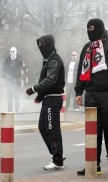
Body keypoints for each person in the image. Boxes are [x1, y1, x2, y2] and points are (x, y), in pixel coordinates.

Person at [75, 19, 108, 176]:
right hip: (91, 94)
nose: (90, 32)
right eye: (88, 29)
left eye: (92, 29)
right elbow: (82, 70)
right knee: (92, 132)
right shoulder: (87, 47)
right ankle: (93, 164)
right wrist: (78, 91)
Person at [26, 34, 65, 170]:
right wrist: (40, 96)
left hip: (53, 99)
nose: (40, 49)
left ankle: (58, 159)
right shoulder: (48, 60)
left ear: (48, 46)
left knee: (51, 128)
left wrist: (33, 89)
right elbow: (47, 81)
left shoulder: (54, 60)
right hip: (48, 98)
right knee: (43, 127)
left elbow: (50, 80)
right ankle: (57, 153)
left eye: (42, 46)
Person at [2, 47, 23, 112]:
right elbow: (4, 69)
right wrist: (3, 77)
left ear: (16, 52)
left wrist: (15, 78)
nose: (12, 53)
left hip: (16, 80)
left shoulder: (19, 59)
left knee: (16, 95)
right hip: (9, 80)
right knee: (9, 96)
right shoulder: (7, 60)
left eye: (13, 51)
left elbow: (19, 70)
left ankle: (17, 109)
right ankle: (10, 110)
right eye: (11, 51)